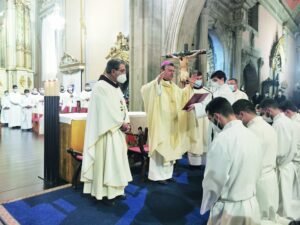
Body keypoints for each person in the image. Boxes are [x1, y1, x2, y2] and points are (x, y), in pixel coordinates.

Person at [200, 97, 262, 225]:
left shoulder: (221, 140)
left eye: (210, 120)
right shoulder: (252, 135)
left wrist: (207, 203)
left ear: (217, 116)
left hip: (230, 210)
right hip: (251, 204)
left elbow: (213, 180)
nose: (212, 124)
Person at [80, 59, 132, 204]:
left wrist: (126, 121)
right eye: (121, 70)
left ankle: (117, 190)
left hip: (117, 131)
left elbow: (123, 106)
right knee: (107, 162)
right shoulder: (100, 86)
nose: (124, 73)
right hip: (106, 132)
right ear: (112, 71)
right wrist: (120, 123)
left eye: (124, 70)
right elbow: (105, 111)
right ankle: (104, 192)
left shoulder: (116, 87)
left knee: (117, 161)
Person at [232, 99, 280, 223]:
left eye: (236, 118)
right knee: (270, 216)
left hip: (259, 181)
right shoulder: (268, 126)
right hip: (271, 177)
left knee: (261, 218)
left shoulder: (251, 132)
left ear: (242, 114)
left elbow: (246, 161)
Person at [141, 61, 187, 184]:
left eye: (173, 71)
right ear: (162, 71)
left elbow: (183, 97)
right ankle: (157, 176)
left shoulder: (174, 87)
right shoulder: (155, 85)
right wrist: (157, 82)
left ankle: (167, 175)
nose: (172, 73)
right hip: (160, 124)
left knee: (170, 148)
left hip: (172, 124)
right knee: (160, 148)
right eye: (169, 70)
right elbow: (144, 90)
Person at [260, 98, 298, 219]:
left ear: (268, 110)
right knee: (286, 200)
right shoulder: (285, 120)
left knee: (283, 205)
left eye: (263, 112)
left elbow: (280, 151)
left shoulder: (279, 124)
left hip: (282, 167)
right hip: (287, 166)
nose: (264, 116)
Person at [182, 71, 212, 166]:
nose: (198, 80)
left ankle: (204, 162)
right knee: (194, 141)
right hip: (192, 119)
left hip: (204, 120)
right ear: (190, 79)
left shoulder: (207, 91)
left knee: (204, 140)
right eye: (196, 78)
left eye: (200, 78)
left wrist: (197, 106)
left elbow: (209, 105)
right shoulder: (186, 91)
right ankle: (193, 164)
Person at [279, 100, 300, 201]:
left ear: (287, 112)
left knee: (294, 195)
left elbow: (290, 145)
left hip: (296, 161)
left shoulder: (294, 124)